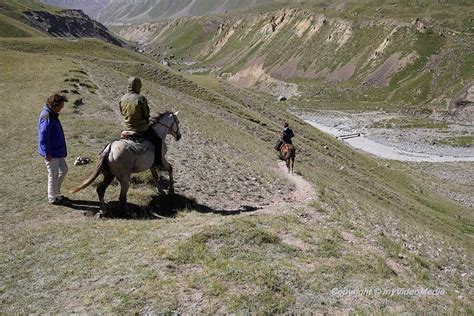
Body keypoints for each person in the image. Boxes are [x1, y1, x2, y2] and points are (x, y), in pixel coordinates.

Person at [119, 77, 162, 166]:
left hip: (127, 126)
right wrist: (146, 120)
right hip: (141, 128)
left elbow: (122, 112)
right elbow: (146, 114)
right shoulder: (140, 98)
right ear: (138, 86)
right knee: (158, 141)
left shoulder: (122, 98)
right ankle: (158, 163)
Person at [38, 93, 71, 205]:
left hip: (57, 150)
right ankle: (52, 198)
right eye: (60, 106)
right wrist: (47, 153)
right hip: (51, 152)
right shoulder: (47, 116)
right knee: (53, 173)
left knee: (64, 169)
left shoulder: (52, 114)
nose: (61, 109)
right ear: (54, 105)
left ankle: (56, 192)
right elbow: (43, 137)